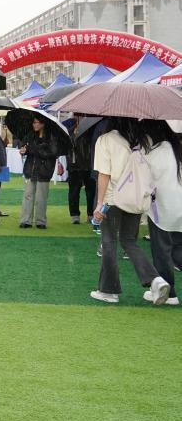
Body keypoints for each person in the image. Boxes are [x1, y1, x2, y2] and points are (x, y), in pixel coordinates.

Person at [90, 117, 170, 305]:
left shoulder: (106, 139)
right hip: (136, 198)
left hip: (112, 199)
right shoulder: (143, 140)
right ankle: (155, 279)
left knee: (109, 242)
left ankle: (109, 290)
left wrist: (99, 203)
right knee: (129, 241)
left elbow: (104, 174)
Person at [143, 119, 182, 305]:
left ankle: (170, 294)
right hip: (179, 208)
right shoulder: (177, 149)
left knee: (162, 251)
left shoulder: (154, 152)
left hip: (162, 210)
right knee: (177, 250)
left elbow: (145, 181)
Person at [19, 118, 59, 229]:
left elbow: (52, 152)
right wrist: (23, 149)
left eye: (37, 122)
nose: (34, 125)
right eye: (33, 122)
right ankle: (25, 220)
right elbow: (24, 146)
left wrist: (32, 149)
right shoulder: (30, 135)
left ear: (43, 124)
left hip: (44, 170)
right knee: (28, 195)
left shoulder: (51, 137)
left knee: (41, 197)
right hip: (30, 169)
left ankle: (40, 221)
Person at [66, 118, 97, 225]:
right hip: (74, 166)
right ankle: (74, 215)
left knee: (91, 192)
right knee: (74, 192)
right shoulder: (69, 132)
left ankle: (91, 214)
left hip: (89, 165)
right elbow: (67, 147)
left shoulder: (92, 131)